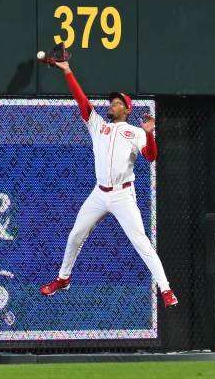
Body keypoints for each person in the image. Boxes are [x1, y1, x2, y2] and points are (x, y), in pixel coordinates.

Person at [39, 60, 178, 308]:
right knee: (75, 235)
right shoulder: (98, 127)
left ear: (127, 109)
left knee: (141, 242)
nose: (112, 105)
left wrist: (148, 133)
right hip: (99, 194)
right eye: (111, 102)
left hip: (123, 196)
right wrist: (69, 71)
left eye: (117, 103)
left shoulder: (136, 132)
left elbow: (151, 157)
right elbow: (82, 103)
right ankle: (63, 278)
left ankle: (166, 290)